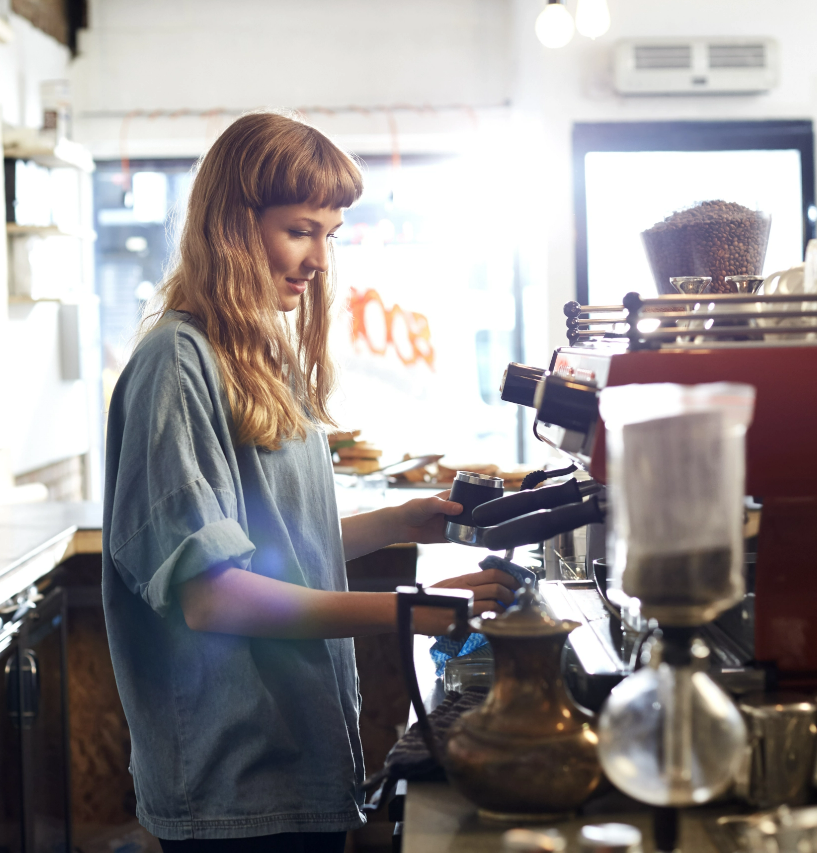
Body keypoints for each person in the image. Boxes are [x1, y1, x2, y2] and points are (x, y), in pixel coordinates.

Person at [102, 112, 518, 853]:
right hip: (233, 783)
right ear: (231, 225)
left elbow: (276, 546)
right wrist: (412, 609)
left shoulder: (258, 354)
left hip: (294, 759)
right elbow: (213, 593)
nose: (320, 258)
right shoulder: (176, 364)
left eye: (330, 232)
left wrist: (399, 520)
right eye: (300, 229)